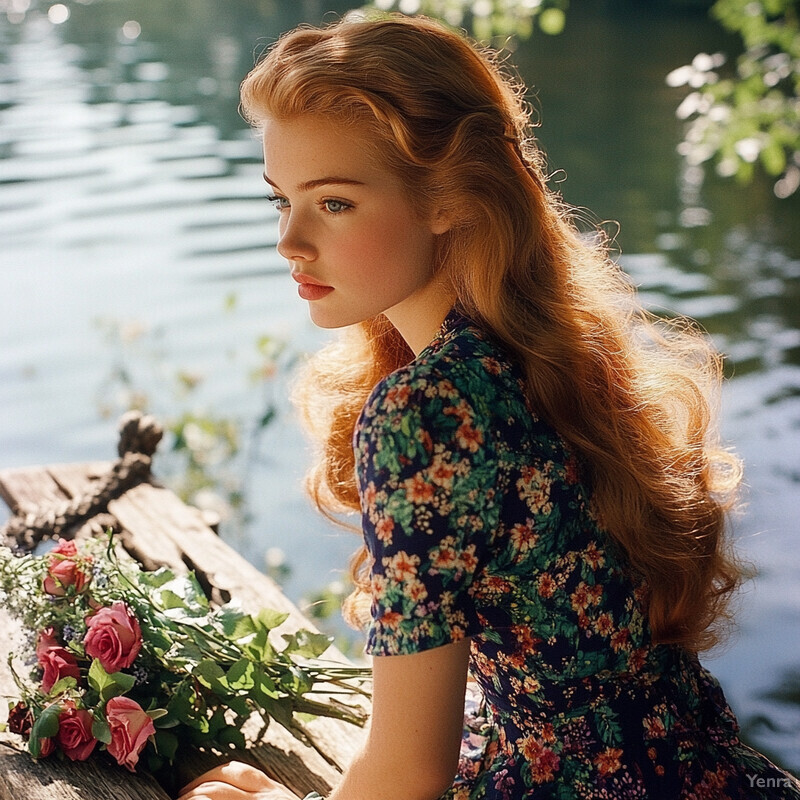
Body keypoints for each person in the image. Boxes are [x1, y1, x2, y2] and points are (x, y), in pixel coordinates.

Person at [177, 13, 800, 800]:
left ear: (449, 197)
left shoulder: (426, 413)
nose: (290, 242)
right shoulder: (560, 352)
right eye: (281, 202)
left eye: (333, 204)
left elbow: (407, 775)